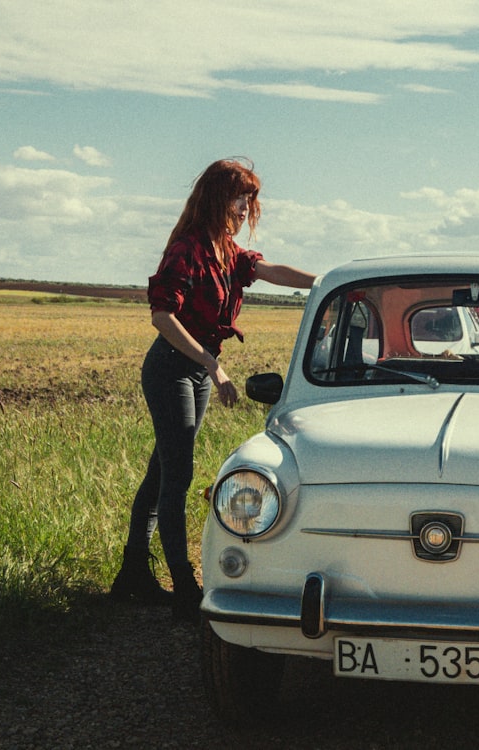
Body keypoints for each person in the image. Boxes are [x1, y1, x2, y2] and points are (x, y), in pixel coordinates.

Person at [110, 158, 315, 622]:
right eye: (238, 200)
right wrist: (212, 364)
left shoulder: (225, 250)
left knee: (162, 472)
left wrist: (327, 282)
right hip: (172, 370)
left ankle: (132, 575)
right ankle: (184, 585)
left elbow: (271, 272)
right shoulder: (186, 250)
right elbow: (163, 316)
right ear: (216, 200)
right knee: (177, 475)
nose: (244, 210)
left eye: (249, 202)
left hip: (197, 370)